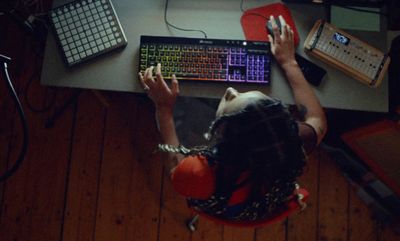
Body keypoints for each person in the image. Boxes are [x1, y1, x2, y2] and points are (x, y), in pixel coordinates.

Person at [138, 15, 327, 226]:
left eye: (231, 99)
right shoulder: (291, 141)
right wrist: (289, 62)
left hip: (225, 202)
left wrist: (163, 108)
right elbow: (317, 119)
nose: (229, 90)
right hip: (263, 199)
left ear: (224, 136)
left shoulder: (199, 173)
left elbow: (175, 170)